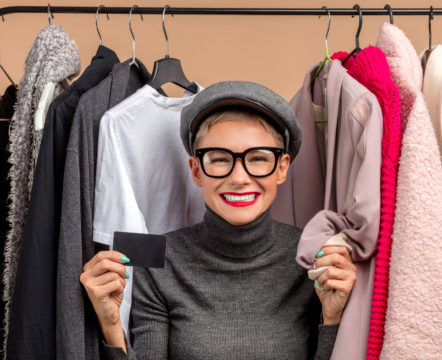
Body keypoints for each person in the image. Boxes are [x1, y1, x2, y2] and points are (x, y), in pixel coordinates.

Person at [80, 81, 357, 359]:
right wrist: (111, 326)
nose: (238, 178)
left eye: (258, 158)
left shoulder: (313, 260)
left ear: (282, 168)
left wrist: (332, 319)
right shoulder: (162, 263)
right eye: (220, 159)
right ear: (197, 170)